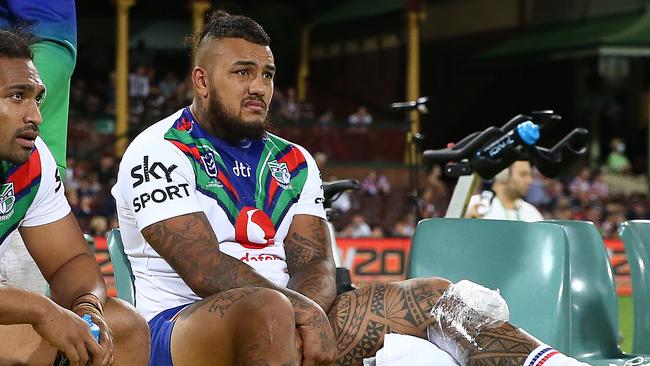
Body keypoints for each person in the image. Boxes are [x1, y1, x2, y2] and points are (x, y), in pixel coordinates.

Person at [112, 10, 589, 366]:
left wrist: (304, 313)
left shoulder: (293, 161)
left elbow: (315, 263)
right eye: (242, 72)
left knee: (439, 299)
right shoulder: (158, 150)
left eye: (268, 74)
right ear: (202, 80)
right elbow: (203, 267)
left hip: (293, 315)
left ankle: (552, 364)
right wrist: (295, 310)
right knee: (266, 310)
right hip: (182, 329)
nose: (259, 87)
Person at [0, 29, 149, 365]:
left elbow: (70, 261)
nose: (36, 116)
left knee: (123, 327)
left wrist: (87, 308)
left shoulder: (32, 158)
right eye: (15, 96)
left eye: (36, 98)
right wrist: (39, 309)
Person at [466, 160, 544, 222]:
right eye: (523, 174)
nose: (530, 181)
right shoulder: (474, 205)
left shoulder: (532, 213)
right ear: (503, 174)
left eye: (530, 175)